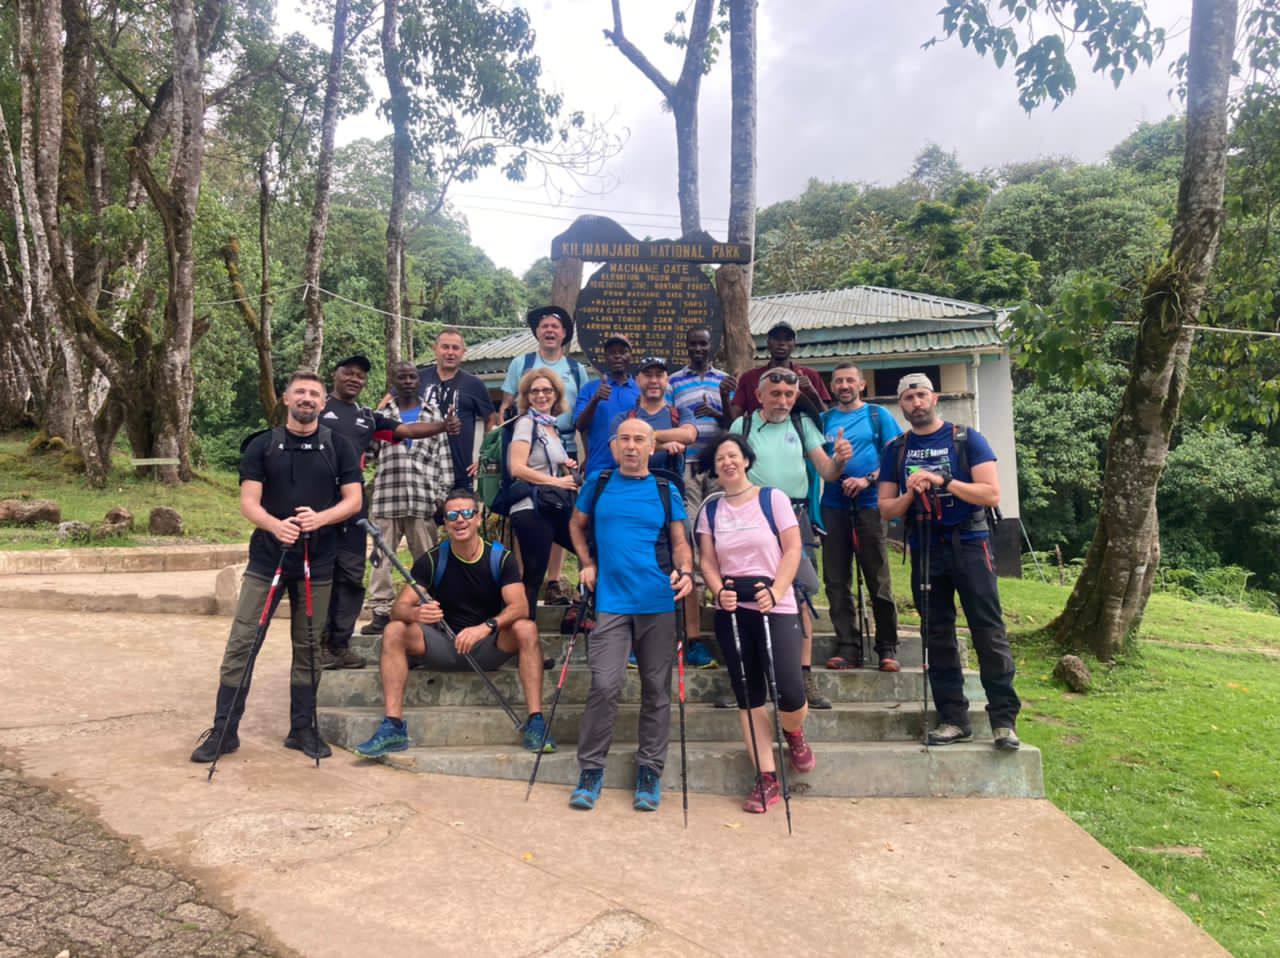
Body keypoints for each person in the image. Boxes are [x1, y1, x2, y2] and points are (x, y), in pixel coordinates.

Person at [190, 371, 363, 764]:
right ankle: (224, 730)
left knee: (309, 647)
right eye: (300, 392)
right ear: (286, 399)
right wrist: (274, 525)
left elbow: (353, 500)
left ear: (323, 403)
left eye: (314, 394)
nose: (307, 398)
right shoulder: (262, 445)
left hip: (317, 561)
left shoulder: (339, 447)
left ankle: (302, 729)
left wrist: (321, 518)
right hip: (268, 559)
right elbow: (249, 501)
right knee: (242, 642)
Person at [878, 372, 1022, 751]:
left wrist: (943, 481)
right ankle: (952, 718)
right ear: (902, 404)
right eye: (908, 398)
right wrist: (911, 493)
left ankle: (1003, 720)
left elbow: (991, 493)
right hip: (926, 545)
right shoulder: (896, 449)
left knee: (988, 630)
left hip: (971, 543)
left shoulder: (965, 438)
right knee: (937, 634)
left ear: (935, 398)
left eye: (922, 395)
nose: (916, 403)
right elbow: (886, 508)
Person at [353, 488, 554, 757]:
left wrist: (486, 627)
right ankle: (393, 726)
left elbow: (520, 606)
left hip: (487, 647)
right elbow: (399, 608)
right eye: (453, 515)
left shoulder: (500, 558)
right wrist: (415, 615)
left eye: (467, 513)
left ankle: (536, 722)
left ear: (478, 518)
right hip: (444, 645)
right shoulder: (434, 560)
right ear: (445, 523)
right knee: (395, 630)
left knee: (526, 627)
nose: (460, 520)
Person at [567, 418, 694, 812]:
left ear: (653, 445)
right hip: (611, 601)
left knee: (657, 690)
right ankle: (591, 770)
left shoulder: (664, 488)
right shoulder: (599, 483)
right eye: (625, 439)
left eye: (640, 439)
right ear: (614, 444)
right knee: (605, 684)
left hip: (657, 599)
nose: (632, 446)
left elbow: (680, 543)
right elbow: (576, 524)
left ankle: (650, 771)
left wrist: (687, 574)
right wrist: (586, 563)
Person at [697, 434, 816, 813]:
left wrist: (778, 589)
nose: (727, 462)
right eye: (720, 458)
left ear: (746, 460)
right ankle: (766, 777)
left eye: (733, 455)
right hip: (733, 608)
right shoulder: (710, 509)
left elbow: (793, 548)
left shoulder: (773, 499)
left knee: (791, 692)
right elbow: (708, 561)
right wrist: (718, 592)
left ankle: (794, 731)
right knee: (749, 695)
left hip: (775, 604)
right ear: (714, 468)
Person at [318, 354, 454, 670]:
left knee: (360, 573)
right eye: (348, 373)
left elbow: (415, 437)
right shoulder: (332, 410)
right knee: (347, 570)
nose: (354, 379)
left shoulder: (374, 417)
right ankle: (335, 637)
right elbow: (368, 454)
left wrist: (443, 427)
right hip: (357, 502)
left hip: (388, 503)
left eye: (360, 375)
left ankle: (343, 644)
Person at [728, 368, 852, 709]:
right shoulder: (743, 427)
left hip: (795, 519)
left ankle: (802, 674)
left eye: (788, 395)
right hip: (751, 517)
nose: (782, 400)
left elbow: (826, 471)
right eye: (775, 394)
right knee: (744, 591)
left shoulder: (803, 426)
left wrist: (839, 461)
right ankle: (745, 674)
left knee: (799, 596)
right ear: (760, 395)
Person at [613, 356, 714, 668]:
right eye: (648, 375)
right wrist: (658, 444)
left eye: (660, 375)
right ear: (639, 380)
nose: (654, 381)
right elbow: (619, 451)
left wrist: (644, 441)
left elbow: (689, 435)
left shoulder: (676, 411)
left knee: (685, 565)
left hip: (671, 494)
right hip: (634, 498)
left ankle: (693, 638)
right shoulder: (627, 414)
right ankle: (634, 639)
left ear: (666, 380)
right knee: (637, 566)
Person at [500, 306, 593, 604]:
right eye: (544, 326)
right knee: (535, 533)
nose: (550, 330)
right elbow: (506, 408)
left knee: (560, 517)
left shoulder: (576, 370)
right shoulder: (521, 363)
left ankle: (554, 581)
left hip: (560, 443)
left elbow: (581, 417)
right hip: (528, 460)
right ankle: (521, 594)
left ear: (565, 333)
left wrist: (574, 461)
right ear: (537, 332)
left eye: (556, 326)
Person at [360, 362, 455, 639]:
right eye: (402, 377)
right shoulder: (382, 415)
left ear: (419, 381)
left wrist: (442, 495)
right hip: (387, 498)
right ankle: (380, 611)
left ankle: (430, 608)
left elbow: (444, 458)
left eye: (412, 376)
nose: (408, 381)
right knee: (381, 561)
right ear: (394, 380)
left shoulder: (433, 414)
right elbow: (369, 452)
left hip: (422, 498)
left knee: (426, 560)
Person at [820, 363, 903, 671]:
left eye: (850, 380)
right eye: (838, 380)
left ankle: (887, 646)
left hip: (871, 505)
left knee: (877, 577)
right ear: (831, 387)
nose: (844, 385)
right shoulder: (823, 420)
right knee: (835, 579)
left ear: (862, 384)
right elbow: (819, 462)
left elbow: (895, 457)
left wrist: (868, 478)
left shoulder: (877, 416)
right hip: (833, 505)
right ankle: (847, 645)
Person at [669, 328, 732, 668]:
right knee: (690, 536)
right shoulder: (675, 381)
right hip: (688, 468)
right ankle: (691, 630)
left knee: (722, 540)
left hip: (719, 468)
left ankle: (723, 612)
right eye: (692, 343)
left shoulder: (725, 379)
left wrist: (721, 410)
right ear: (686, 346)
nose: (698, 348)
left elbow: (735, 423)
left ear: (712, 346)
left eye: (703, 343)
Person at [506, 368, 580, 618]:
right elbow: (516, 467)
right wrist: (556, 482)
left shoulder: (551, 427)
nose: (541, 395)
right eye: (534, 391)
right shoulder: (526, 423)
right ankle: (527, 644)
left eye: (547, 390)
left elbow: (545, 463)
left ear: (556, 394)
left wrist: (566, 468)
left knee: (590, 550)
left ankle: (586, 612)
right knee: (533, 576)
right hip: (531, 508)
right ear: (526, 396)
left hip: (550, 506)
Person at [417, 327, 498, 490]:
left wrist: (483, 457)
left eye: (455, 348)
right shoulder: (417, 378)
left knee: (460, 515)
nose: (450, 352)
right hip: (420, 468)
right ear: (435, 349)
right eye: (445, 347)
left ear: (463, 352)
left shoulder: (474, 384)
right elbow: (389, 404)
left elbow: (491, 420)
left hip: (460, 471)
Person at [729, 321, 831, 420]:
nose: (782, 343)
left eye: (787, 339)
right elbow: (734, 419)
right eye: (776, 338)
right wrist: (724, 395)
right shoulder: (749, 377)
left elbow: (826, 417)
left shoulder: (810, 375)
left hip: (799, 436)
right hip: (759, 434)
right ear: (768, 342)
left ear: (794, 344)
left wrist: (812, 392)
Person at [573, 333, 641, 477]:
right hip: (599, 467)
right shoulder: (590, 389)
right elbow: (580, 425)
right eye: (612, 353)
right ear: (605, 358)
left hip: (633, 467)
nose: (617, 357)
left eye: (623, 352)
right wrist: (595, 400)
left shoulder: (640, 390)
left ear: (631, 356)